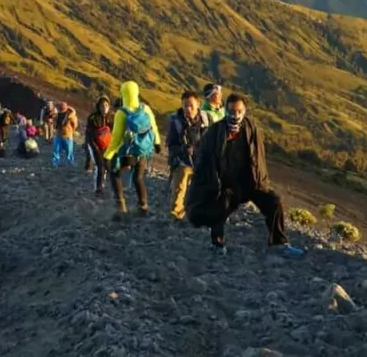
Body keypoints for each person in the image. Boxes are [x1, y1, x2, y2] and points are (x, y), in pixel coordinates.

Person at [185, 93, 304, 257]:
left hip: (250, 181)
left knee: (274, 202)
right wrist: (210, 185)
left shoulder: (251, 128)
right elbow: (204, 160)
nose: (235, 115)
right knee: (221, 206)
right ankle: (217, 244)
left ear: (245, 110)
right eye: (232, 111)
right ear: (226, 110)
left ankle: (279, 243)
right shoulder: (214, 132)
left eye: (239, 111)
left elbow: (258, 157)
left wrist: (261, 182)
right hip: (226, 183)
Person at [103, 81, 161, 218]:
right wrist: (157, 143)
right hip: (143, 151)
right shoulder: (145, 109)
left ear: (123, 93)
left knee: (114, 172)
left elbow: (116, 139)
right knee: (138, 178)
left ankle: (121, 205)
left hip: (128, 153)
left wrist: (108, 156)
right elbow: (154, 127)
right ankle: (143, 205)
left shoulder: (121, 113)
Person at [167, 91, 211, 221]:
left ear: (198, 104)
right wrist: (182, 149)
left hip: (202, 160)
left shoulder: (207, 119)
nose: (188, 109)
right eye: (185, 105)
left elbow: (212, 139)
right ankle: (176, 214)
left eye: (191, 105)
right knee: (180, 184)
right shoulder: (176, 121)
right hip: (182, 160)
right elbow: (171, 144)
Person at [85, 96, 115, 196]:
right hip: (95, 145)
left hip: (108, 146)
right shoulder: (92, 118)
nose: (104, 108)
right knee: (100, 167)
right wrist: (95, 148)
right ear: (98, 106)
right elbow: (89, 135)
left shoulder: (112, 117)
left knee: (109, 167)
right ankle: (98, 188)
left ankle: (111, 187)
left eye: (106, 106)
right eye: (102, 106)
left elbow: (115, 132)